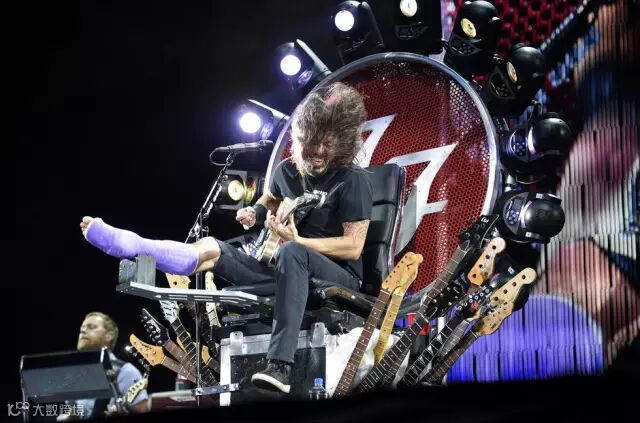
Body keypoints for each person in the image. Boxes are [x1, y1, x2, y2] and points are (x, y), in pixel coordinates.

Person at [79, 81, 373, 394]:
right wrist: (254, 213)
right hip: (288, 272)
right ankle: (137, 246)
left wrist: (299, 243)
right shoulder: (286, 171)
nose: (319, 153)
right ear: (297, 140)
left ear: (341, 140)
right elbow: (269, 200)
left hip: (338, 276)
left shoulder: (352, 180)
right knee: (213, 248)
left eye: (327, 144)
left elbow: (353, 246)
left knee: (291, 253)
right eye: (311, 145)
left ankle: (280, 366)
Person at [60, 312, 148, 419]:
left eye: (91, 327)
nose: (83, 330)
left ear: (109, 336)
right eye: (82, 328)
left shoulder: (126, 371)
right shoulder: (76, 375)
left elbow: (142, 409)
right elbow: (71, 411)